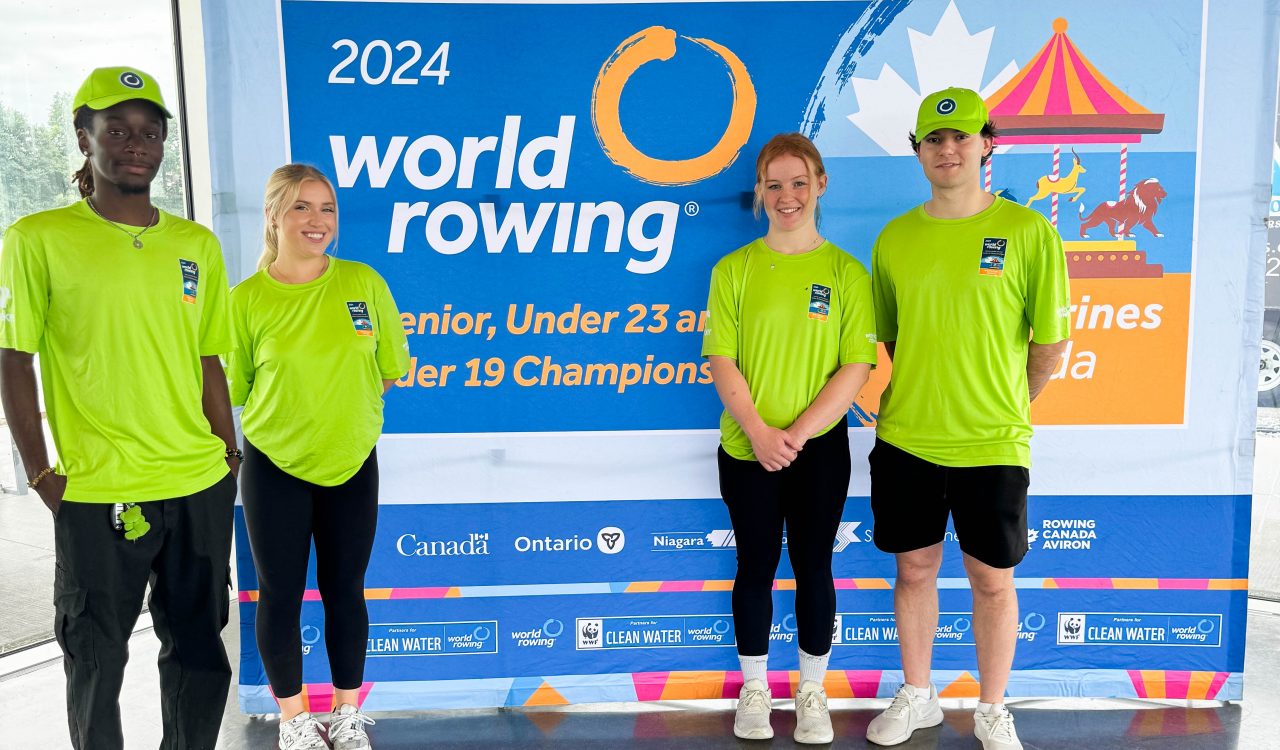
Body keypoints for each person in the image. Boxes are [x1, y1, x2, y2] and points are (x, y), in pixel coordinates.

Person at [0, 66, 239, 750]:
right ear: (84, 138)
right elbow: (13, 360)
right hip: (99, 489)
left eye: (150, 132)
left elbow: (208, 361)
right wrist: (44, 475)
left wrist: (228, 457)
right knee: (96, 660)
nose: (136, 143)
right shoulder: (37, 238)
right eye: (117, 129)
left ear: (163, 144)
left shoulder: (196, 246)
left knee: (197, 652)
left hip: (197, 485)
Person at [863, 88, 1071, 750]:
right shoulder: (894, 238)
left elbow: (1050, 345)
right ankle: (918, 695)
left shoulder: (1028, 232)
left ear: (987, 143)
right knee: (915, 570)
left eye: (960, 137)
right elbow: (892, 340)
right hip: (907, 439)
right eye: (933, 139)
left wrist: (1005, 403)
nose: (946, 149)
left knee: (991, 579)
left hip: (993, 442)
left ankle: (990, 707)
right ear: (918, 151)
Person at [227, 164, 411, 750]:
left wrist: (340, 418)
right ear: (274, 216)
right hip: (273, 466)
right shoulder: (246, 300)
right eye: (302, 207)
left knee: (344, 589)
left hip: (352, 462)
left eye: (327, 208)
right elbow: (238, 389)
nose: (317, 221)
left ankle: (347, 714)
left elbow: (389, 370)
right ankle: (295, 720)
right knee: (279, 593)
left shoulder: (363, 282)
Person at [702, 133, 877, 743]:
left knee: (814, 566)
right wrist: (757, 430)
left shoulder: (847, 273)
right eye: (774, 185)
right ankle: (754, 690)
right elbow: (721, 357)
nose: (787, 196)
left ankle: (811, 691)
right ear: (759, 192)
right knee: (755, 563)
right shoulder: (734, 270)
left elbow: (856, 366)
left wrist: (798, 435)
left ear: (820, 185)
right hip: (746, 445)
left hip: (819, 449)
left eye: (798, 183)